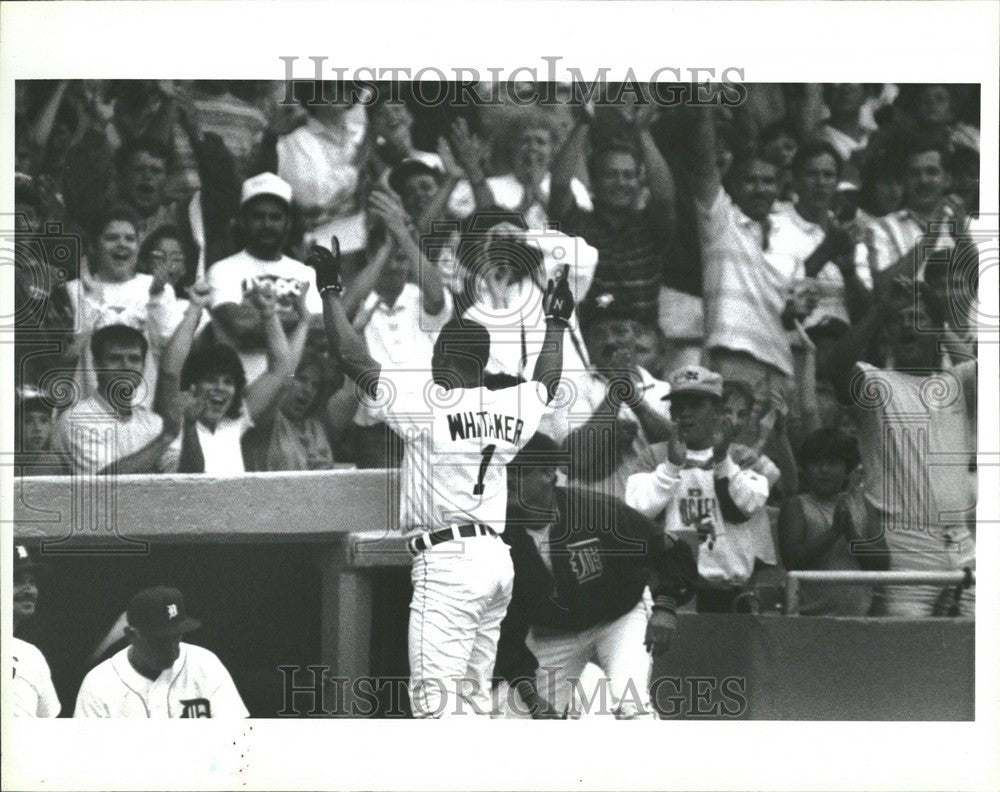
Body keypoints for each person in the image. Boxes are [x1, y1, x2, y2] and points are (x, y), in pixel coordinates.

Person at [310, 236, 572, 718]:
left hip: (448, 560)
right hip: (497, 560)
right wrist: (556, 323)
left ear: (442, 360)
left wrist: (329, 289)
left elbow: (351, 356)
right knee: (469, 710)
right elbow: (547, 380)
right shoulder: (510, 402)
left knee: (433, 711)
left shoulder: (430, 403)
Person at [495, 433, 698, 719]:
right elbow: (507, 625)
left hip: (619, 617)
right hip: (555, 631)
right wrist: (530, 694)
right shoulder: (496, 537)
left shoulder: (596, 511)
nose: (509, 480)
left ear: (548, 473)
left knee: (631, 703)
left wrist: (665, 605)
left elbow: (672, 550)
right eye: (502, 471)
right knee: (519, 716)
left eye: (521, 471)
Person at [828, 283, 976, 617]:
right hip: (905, 544)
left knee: (979, 644)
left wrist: (938, 324)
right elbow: (835, 367)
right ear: (889, 334)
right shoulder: (875, 382)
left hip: (961, 542)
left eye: (917, 318)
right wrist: (881, 309)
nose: (909, 325)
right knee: (906, 646)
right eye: (901, 320)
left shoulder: (958, 383)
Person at [625, 366, 779, 613]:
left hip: (730, 592)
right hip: (671, 595)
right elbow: (636, 511)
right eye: (678, 405)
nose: (685, 413)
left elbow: (744, 507)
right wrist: (672, 466)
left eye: (695, 405)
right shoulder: (653, 456)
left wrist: (722, 460)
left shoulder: (742, 456)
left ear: (718, 410)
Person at [687, 106, 811, 410]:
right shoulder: (721, 224)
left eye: (768, 181)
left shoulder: (792, 238)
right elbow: (704, 164)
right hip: (733, 359)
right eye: (750, 181)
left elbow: (789, 313)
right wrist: (704, 107)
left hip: (782, 366)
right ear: (733, 186)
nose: (760, 189)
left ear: (780, 186)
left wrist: (797, 309)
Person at [342, 187, 452, 468]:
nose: (393, 265)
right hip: (377, 432)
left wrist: (401, 234)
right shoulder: (357, 294)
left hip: (429, 426)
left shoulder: (420, 296)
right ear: (370, 256)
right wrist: (388, 246)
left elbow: (436, 294)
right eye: (387, 257)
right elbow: (343, 312)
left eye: (401, 257)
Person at [549, 101, 676, 328]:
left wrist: (642, 132)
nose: (621, 182)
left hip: (641, 343)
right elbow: (559, 186)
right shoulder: (578, 226)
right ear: (595, 183)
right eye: (611, 175)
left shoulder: (650, 228)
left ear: (639, 182)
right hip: (591, 343)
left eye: (628, 175)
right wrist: (584, 123)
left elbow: (665, 196)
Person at [155, 280, 300, 474]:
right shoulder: (174, 423)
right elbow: (169, 373)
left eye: (228, 382)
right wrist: (195, 309)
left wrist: (268, 312)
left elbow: (280, 370)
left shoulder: (235, 423)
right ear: (193, 386)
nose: (220, 388)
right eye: (211, 380)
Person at [207, 171, 322, 383]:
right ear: (242, 220)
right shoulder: (222, 270)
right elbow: (241, 329)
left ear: (288, 222)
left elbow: (320, 331)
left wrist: (261, 318)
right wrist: (302, 318)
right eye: (258, 216)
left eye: (275, 217)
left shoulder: (307, 273)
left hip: (290, 390)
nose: (267, 224)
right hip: (239, 387)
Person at [66, 205, 179, 409]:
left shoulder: (156, 287)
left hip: (141, 411)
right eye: (112, 238)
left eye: (130, 238)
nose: (122, 244)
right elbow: (69, 353)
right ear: (94, 245)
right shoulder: (73, 290)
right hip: (86, 412)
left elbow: (169, 350)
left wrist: (157, 295)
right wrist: (91, 297)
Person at [74, 586, 249, 717]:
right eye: (161, 640)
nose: (173, 650)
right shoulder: (98, 684)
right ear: (131, 635)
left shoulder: (205, 664)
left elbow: (237, 741)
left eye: (177, 636)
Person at [568, 294, 673, 497]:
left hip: (651, 517)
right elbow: (576, 457)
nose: (610, 341)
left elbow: (678, 454)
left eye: (619, 331)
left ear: (636, 335)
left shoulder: (664, 391)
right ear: (586, 343)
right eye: (598, 334)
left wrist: (636, 403)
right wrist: (617, 393)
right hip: (593, 515)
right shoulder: (573, 388)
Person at [52, 322, 180, 475]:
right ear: (96, 365)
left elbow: (188, 477)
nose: (126, 366)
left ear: (143, 366)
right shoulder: (76, 421)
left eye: (134, 359)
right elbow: (106, 484)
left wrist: (191, 425)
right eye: (115, 358)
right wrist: (166, 437)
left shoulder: (152, 422)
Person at [778, 429, 871, 615]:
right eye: (816, 463)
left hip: (858, 622)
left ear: (847, 470)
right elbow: (792, 561)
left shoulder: (862, 504)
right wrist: (834, 532)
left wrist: (852, 535)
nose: (824, 470)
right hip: (809, 622)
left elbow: (882, 563)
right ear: (805, 468)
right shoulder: (796, 506)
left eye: (833, 463)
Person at [12, 544, 61, 718]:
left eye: (32, 582)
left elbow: (45, 728)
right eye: (16, 580)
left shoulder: (31, 655)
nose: (29, 590)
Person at [15, 386, 68, 476]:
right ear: (14, 425)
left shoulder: (52, 464)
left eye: (43, 420)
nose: (37, 428)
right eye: (28, 421)